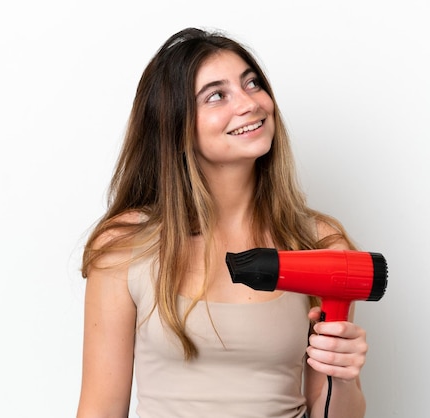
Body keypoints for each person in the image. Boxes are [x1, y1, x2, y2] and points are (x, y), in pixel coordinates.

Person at [76, 27, 369, 418]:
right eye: (217, 95)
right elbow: (100, 409)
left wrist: (343, 376)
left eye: (252, 84)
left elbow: (331, 410)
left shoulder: (317, 243)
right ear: (174, 125)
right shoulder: (126, 244)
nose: (249, 103)